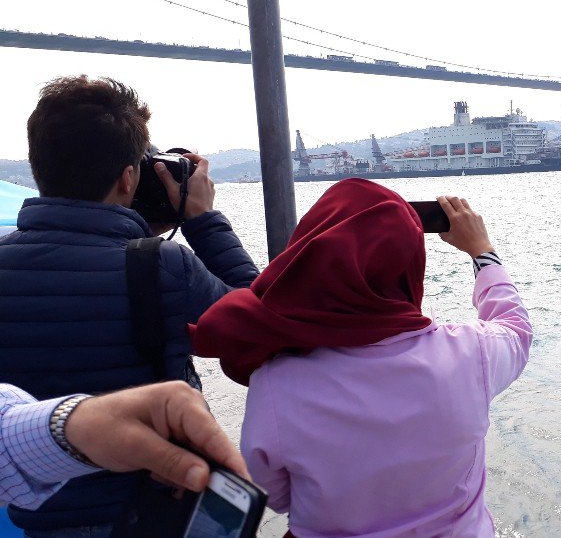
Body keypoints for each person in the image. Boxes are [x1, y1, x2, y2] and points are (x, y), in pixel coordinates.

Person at [192, 179, 532, 537]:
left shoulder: (277, 383)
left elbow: (274, 494)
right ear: (411, 265)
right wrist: (481, 250)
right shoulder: (471, 354)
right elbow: (516, 328)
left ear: (307, 257)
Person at [0, 76, 259, 536]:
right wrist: (203, 220)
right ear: (128, 176)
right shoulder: (162, 266)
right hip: (148, 513)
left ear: (39, 166)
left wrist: (132, 229)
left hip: (37, 514)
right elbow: (260, 323)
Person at [0, 381, 249, 509]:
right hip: (146, 489)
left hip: (48, 509)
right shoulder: (165, 278)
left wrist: (69, 426)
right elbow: (224, 306)